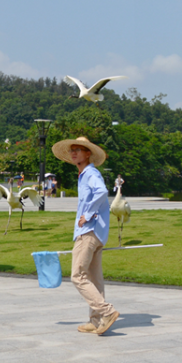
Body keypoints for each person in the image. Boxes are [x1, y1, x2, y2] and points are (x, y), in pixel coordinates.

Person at [51, 136, 120, 334]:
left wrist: (87, 215)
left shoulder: (90, 173)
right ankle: (97, 321)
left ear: (88, 153)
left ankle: (106, 312)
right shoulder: (85, 175)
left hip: (88, 232)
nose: (74, 153)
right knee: (94, 278)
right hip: (97, 233)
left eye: (78, 149)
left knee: (78, 276)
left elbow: (101, 192)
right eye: (72, 149)